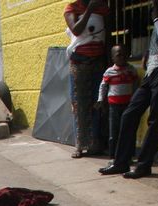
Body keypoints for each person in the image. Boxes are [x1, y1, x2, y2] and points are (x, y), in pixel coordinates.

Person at [99, 0, 158, 179]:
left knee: (155, 119)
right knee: (129, 114)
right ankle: (120, 161)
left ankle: (143, 166)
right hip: (152, 71)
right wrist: (149, 52)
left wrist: (156, 20)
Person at [64, 0, 109, 158]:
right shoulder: (72, 8)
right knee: (79, 103)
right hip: (79, 62)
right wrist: (89, 10)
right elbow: (76, 30)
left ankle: (96, 143)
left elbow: (106, 33)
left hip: (98, 62)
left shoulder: (103, 8)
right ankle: (80, 145)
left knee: (98, 103)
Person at [96, 44, 139, 161]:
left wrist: (135, 99)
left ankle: (129, 155)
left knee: (128, 130)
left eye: (125, 55)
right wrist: (101, 99)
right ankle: (113, 156)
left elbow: (136, 85)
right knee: (113, 132)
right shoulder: (109, 72)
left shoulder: (131, 70)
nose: (122, 57)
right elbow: (103, 86)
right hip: (114, 106)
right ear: (113, 58)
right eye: (119, 55)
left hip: (128, 105)